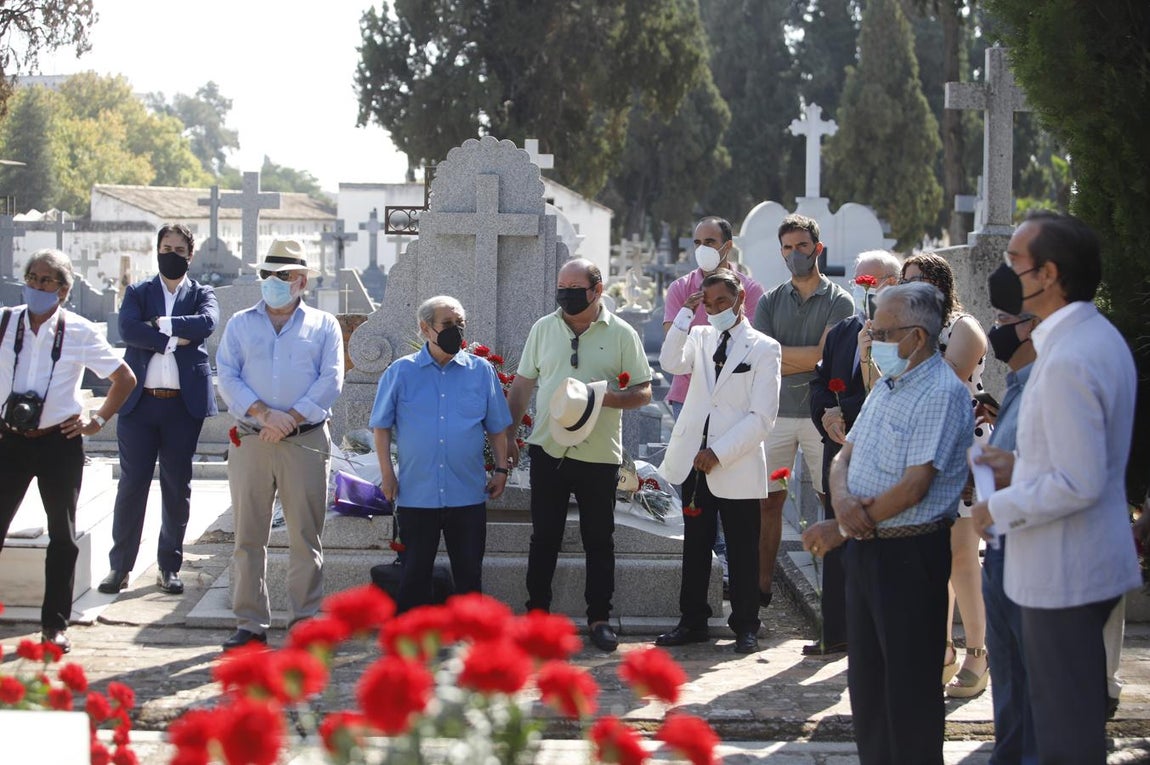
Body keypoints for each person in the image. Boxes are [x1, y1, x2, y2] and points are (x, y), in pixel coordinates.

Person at [971, 211, 1139, 765]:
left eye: (1014, 261)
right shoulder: (1078, 339)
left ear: (1047, 275)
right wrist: (1017, 464)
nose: (1004, 272)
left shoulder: (1069, 356)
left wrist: (996, 508)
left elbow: (1079, 481)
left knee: (1064, 741)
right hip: (1066, 565)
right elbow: (1073, 457)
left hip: (1064, 572)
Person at [802, 282, 973, 765]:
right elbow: (845, 455)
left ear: (916, 337)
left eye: (880, 331)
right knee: (869, 689)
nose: (870, 337)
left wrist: (843, 526)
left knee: (910, 693)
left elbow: (916, 484)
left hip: (910, 554)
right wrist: (841, 503)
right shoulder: (887, 387)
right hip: (866, 549)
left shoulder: (941, 392)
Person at [505, 258, 652, 652]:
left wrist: (603, 399)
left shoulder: (622, 334)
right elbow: (521, 387)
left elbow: (644, 391)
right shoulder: (542, 328)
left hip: (600, 453)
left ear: (597, 290)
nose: (566, 295)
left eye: (575, 288)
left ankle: (599, 618)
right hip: (548, 450)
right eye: (561, 287)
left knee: (599, 539)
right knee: (544, 537)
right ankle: (537, 615)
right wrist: (508, 436)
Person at [0, 250, 136, 653]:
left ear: (63, 290)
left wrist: (96, 420)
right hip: (10, 441)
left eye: (47, 281)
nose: (37, 286)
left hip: (59, 444)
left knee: (63, 535)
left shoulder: (79, 332)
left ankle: (54, 626)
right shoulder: (6, 322)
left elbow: (124, 378)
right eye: (32, 278)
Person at [216, 238, 344, 650]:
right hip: (252, 439)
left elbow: (331, 379)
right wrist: (263, 414)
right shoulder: (240, 323)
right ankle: (250, 623)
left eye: (283, 275)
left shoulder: (323, 325)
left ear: (302, 281)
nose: (273, 282)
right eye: (267, 274)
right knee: (248, 536)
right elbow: (227, 375)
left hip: (303, 440)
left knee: (305, 536)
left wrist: (291, 417)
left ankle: (304, 621)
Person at [655, 270, 780, 654]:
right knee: (695, 545)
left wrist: (720, 452)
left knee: (742, 547)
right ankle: (692, 620)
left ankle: (746, 624)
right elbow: (671, 361)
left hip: (735, 460)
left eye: (722, 302)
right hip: (695, 458)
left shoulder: (763, 348)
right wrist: (684, 315)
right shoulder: (700, 335)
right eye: (708, 304)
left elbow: (762, 417)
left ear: (740, 299)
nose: (714, 310)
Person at [369, 296, 512, 612]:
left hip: (468, 494)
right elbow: (381, 426)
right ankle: (410, 645)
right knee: (413, 576)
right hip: (417, 495)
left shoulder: (481, 371)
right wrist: (387, 474)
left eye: (460, 324)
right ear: (425, 328)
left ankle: (471, 644)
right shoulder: (400, 372)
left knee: (469, 576)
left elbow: (497, 426)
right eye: (447, 324)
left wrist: (501, 468)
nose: (456, 331)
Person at [99, 224, 218, 597]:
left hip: (183, 407)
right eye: (165, 246)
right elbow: (128, 330)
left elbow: (208, 324)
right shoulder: (138, 291)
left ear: (189, 255)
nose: (171, 253)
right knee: (132, 486)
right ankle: (119, 568)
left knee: (176, 486)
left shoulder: (202, 293)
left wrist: (163, 325)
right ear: (156, 249)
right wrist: (175, 340)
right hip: (139, 404)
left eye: (178, 249)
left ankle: (169, 567)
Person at [752, 213, 853, 606]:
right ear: (781, 252)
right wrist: (808, 357)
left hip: (819, 415)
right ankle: (761, 591)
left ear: (818, 249)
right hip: (774, 413)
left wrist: (789, 356)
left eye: (803, 246)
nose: (796, 254)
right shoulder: (770, 301)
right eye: (789, 248)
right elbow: (764, 359)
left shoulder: (840, 301)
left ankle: (836, 601)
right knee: (767, 503)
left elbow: (823, 359)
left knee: (831, 499)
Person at [902, 252, 992, 697]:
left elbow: (949, 383)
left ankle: (978, 653)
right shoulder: (910, 333)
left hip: (963, 447)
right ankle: (941, 650)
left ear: (940, 283)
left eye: (918, 280)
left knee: (961, 556)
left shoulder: (964, 327)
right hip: (924, 449)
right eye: (905, 282)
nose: (911, 288)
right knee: (933, 560)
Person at [804, 249, 901, 657]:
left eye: (870, 281)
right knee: (837, 537)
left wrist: (844, 412)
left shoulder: (904, 337)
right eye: (858, 280)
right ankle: (837, 632)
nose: (862, 287)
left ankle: (876, 637)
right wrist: (825, 414)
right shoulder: (844, 330)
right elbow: (820, 381)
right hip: (839, 450)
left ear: (892, 286)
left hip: (881, 454)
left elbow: (890, 393)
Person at [662, 216, 765, 593]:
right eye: (697, 240)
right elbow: (673, 350)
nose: (703, 247)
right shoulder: (681, 289)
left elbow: (750, 343)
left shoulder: (750, 289)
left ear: (727, 245)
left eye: (711, 240)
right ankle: (699, 594)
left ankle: (734, 589)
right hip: (688, 403)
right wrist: (690, 313)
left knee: (731, 498)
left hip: (735, 408)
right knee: (697, 505)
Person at [976, 305, 1039, 765]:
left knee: (1035, 680)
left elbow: (1069, 475)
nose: (996, 327)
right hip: (1000, 546)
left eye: (1005, 318)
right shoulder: (1017, 387)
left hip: (1033, 550)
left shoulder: (1050, 384)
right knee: (1010, 680)